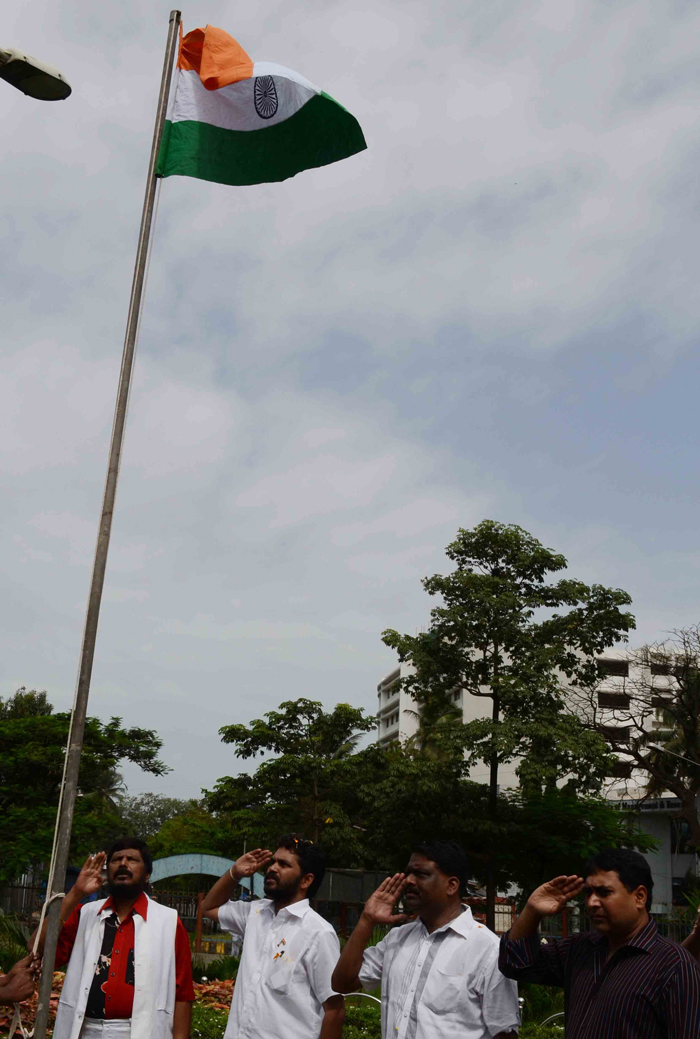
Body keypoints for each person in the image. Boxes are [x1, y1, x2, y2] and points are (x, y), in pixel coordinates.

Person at [499, 847, 700, 1038]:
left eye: (604, 892)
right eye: (588, 893)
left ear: (639, 897)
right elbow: (515, 964)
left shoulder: (675, 966)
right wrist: (532, 910)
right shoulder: (580, 948)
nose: (591, 903)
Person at [332, 840, 520, 1039]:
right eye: (408, 873)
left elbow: (504, 1032)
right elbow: (342, 984)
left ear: (451, 885)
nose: (409, 881)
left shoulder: (488, 949)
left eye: (421, 874)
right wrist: (366, 920)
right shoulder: (397, 939)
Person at [32, 837, 194, 1039]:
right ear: (108, 871)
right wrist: (76, 893)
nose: (123, 864)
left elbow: (183, 993)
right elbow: (36, 949)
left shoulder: (168, 921)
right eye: (116, 860)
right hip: (84, 1029)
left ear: (147, 875)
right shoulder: (85, 914)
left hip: (142, 1031)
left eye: (132, 859)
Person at [202, 835, 345, 1039]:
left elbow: (335, 1010)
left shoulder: (318, 933)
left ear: (306, 880)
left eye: (284, 864)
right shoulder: (255, 913)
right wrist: (234, 873)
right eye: (273, 861)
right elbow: (208, 908)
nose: (272, 868)